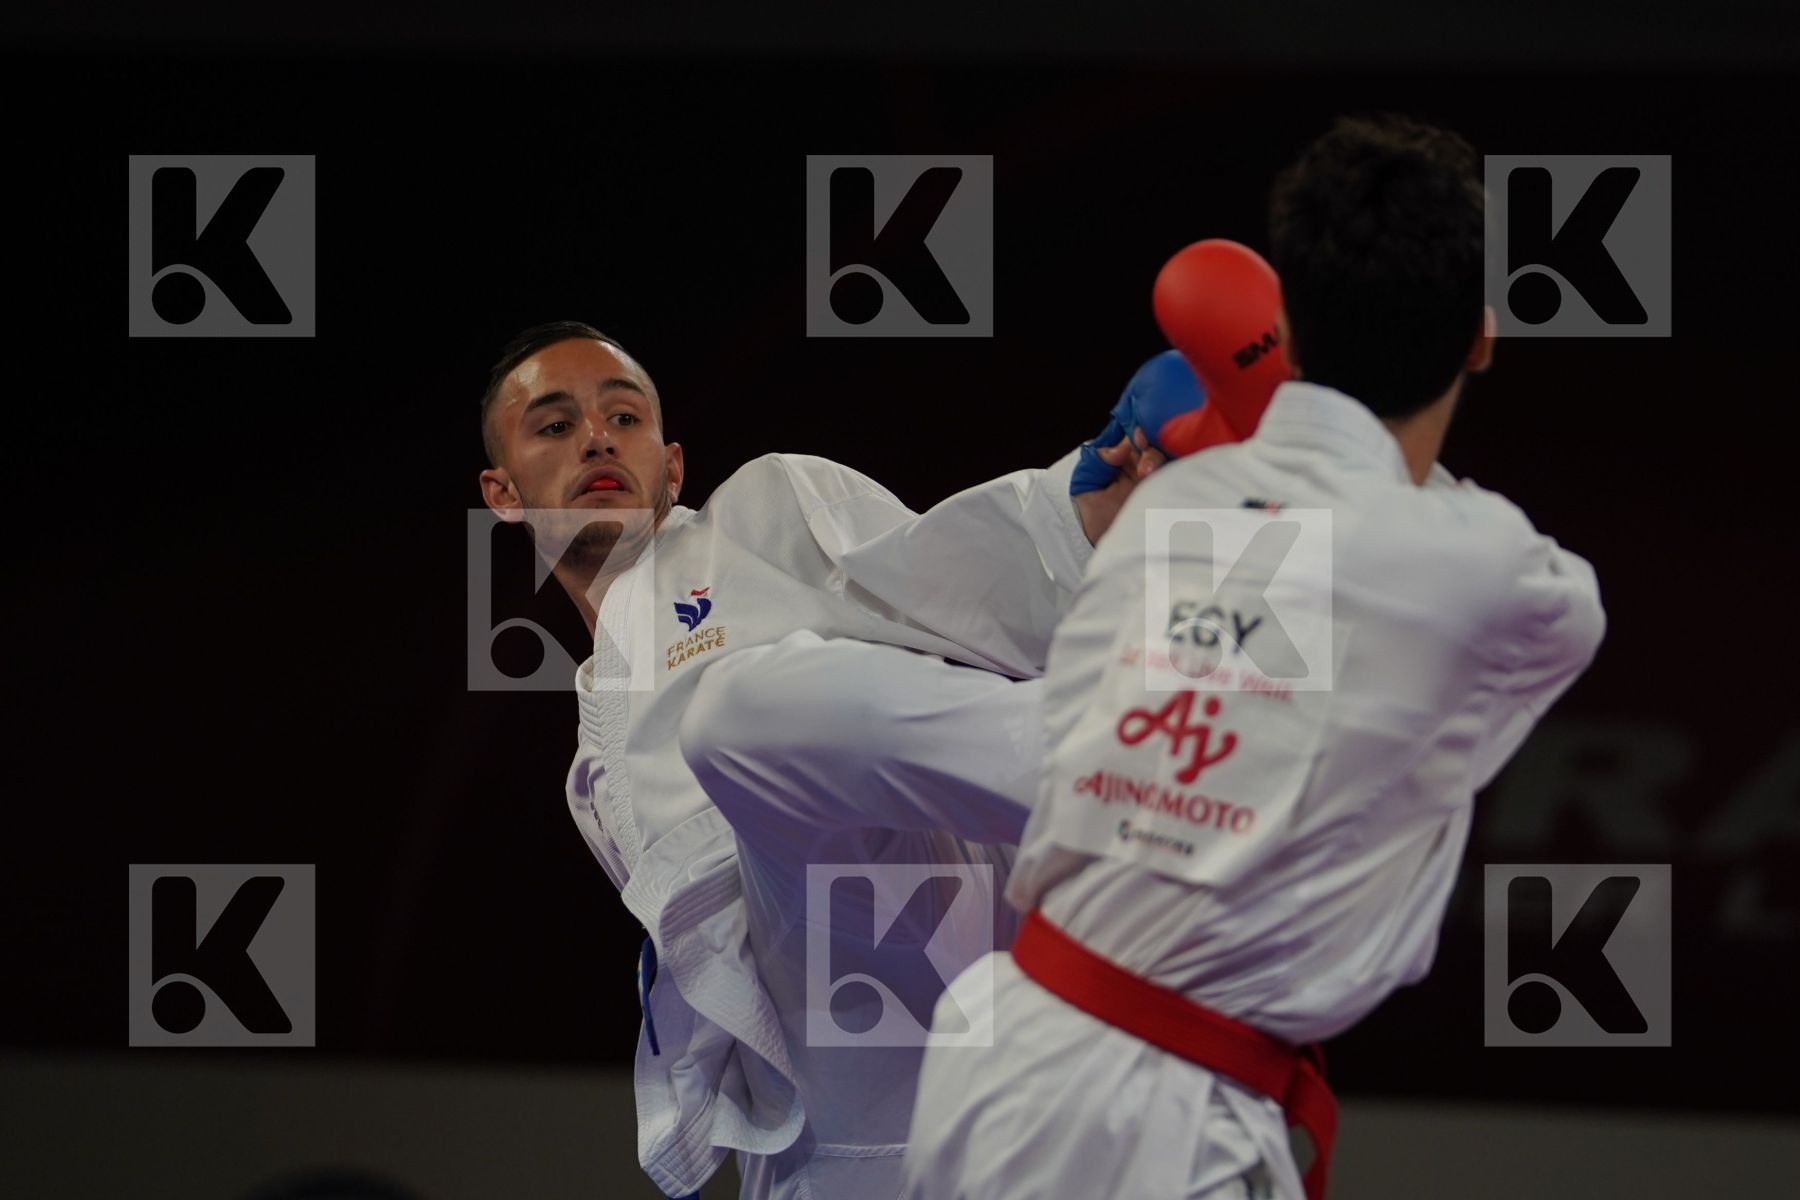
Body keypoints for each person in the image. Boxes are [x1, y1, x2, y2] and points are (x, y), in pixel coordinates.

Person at [901, 114, 1607, 1200]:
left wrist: (1265, 402)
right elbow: (1560, 610)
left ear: (1297, 321)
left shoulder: (1169, 502)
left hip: (1003, 1059)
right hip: (1147, 1119)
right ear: (1479, 337)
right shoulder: (1492, 566)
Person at [473, 308, 1253, 1198]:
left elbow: (938, 570)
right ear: (501, 493)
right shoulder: (592, 765)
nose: (597, 442)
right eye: (555, 425)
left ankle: (1155, 760)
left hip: (939, 924)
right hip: (834, 1098)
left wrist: (1088, 508)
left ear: (672, 464)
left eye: (624, 417)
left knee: (739, 716)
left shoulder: (764, 518)